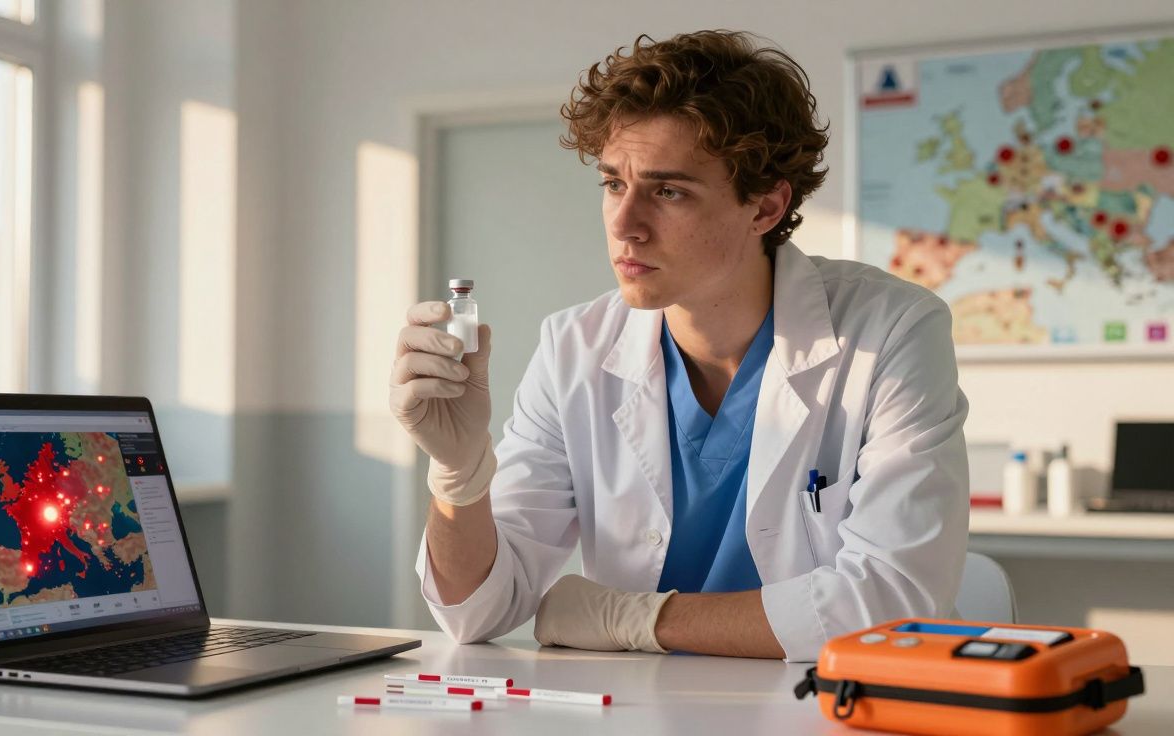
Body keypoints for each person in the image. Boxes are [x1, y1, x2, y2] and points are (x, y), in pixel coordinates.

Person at [389, 30, 969, 662]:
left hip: (821, 710)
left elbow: (894, 603)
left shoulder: (890, 331)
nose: (624, 224)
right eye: (614, 184)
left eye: (668, 192)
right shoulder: (573, 349)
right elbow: (477, 610)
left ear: (766, 207)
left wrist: (632, 620)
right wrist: (459, 474)